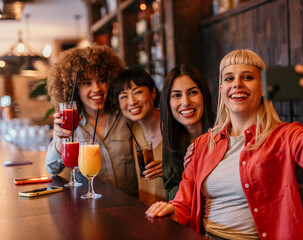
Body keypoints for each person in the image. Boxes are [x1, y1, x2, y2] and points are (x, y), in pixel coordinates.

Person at [146, 49, 303, 239]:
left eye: (247, 77)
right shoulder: (203, 144)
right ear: (221, 89)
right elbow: (184, 203)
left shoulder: (284, 136)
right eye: (229, 78)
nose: (237, 83)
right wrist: (171, 211)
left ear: (264, 87)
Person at [45, 45, 138, 197]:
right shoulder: (70, 124)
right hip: (91, 209)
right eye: (87, 83)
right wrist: (60, 141)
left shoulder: (126, 116)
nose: (97, 88)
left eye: (102, 80)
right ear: (72, 88)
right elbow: (52, 169)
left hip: (131, 206)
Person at [160, 64, 215, 201]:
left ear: (204, 96)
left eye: (193, 92)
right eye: (177, 95)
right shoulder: (172, 138)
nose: (185, 102)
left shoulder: (223, 132)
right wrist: (189, 177)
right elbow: (171, 190)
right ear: (168, 103)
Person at [115, 67, 166, 206]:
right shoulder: (132, 130)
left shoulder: (172, 127)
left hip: (176, 215)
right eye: (124, 96)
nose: (132, 102)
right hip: (147, 215)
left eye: (137, 92)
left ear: (153, 92)